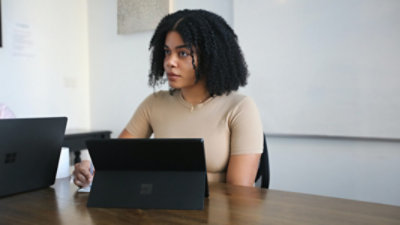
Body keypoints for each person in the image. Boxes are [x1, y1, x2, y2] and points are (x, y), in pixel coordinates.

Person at [73, 9, 263, 188]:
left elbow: (239, 194)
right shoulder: (154, 103)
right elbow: (113, 160)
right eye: (166, 52)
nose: (170, 62)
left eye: (183, 53)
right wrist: (89, 167)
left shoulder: (240, 108)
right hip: (163, 210)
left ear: (211, 57)